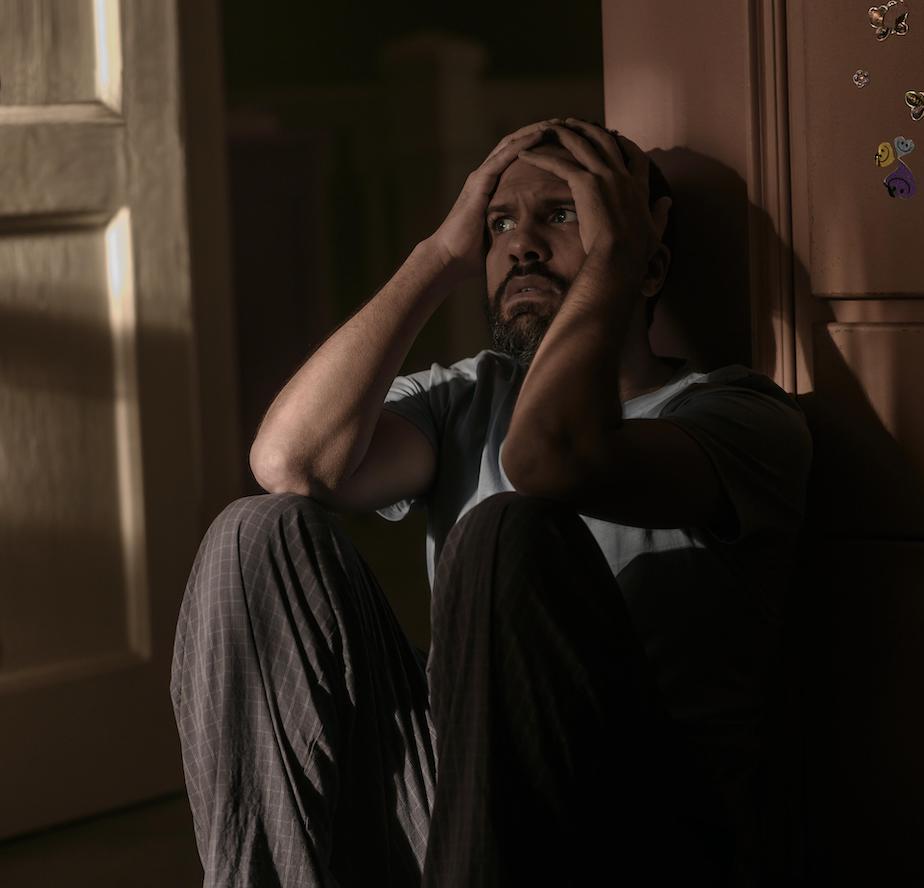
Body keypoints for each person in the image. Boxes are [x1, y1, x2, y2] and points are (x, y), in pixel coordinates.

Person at [170, 117, 812, 887]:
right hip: (455, 806)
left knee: (507, 531)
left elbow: (549, 460)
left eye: (564, 214)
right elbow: (291, 461)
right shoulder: (468, 396)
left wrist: (616, 253)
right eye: (501, 223)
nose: (521, 246)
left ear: (646, 262)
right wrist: (439, 256)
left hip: (634, 830)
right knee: (255, 533)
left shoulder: (739, 418)